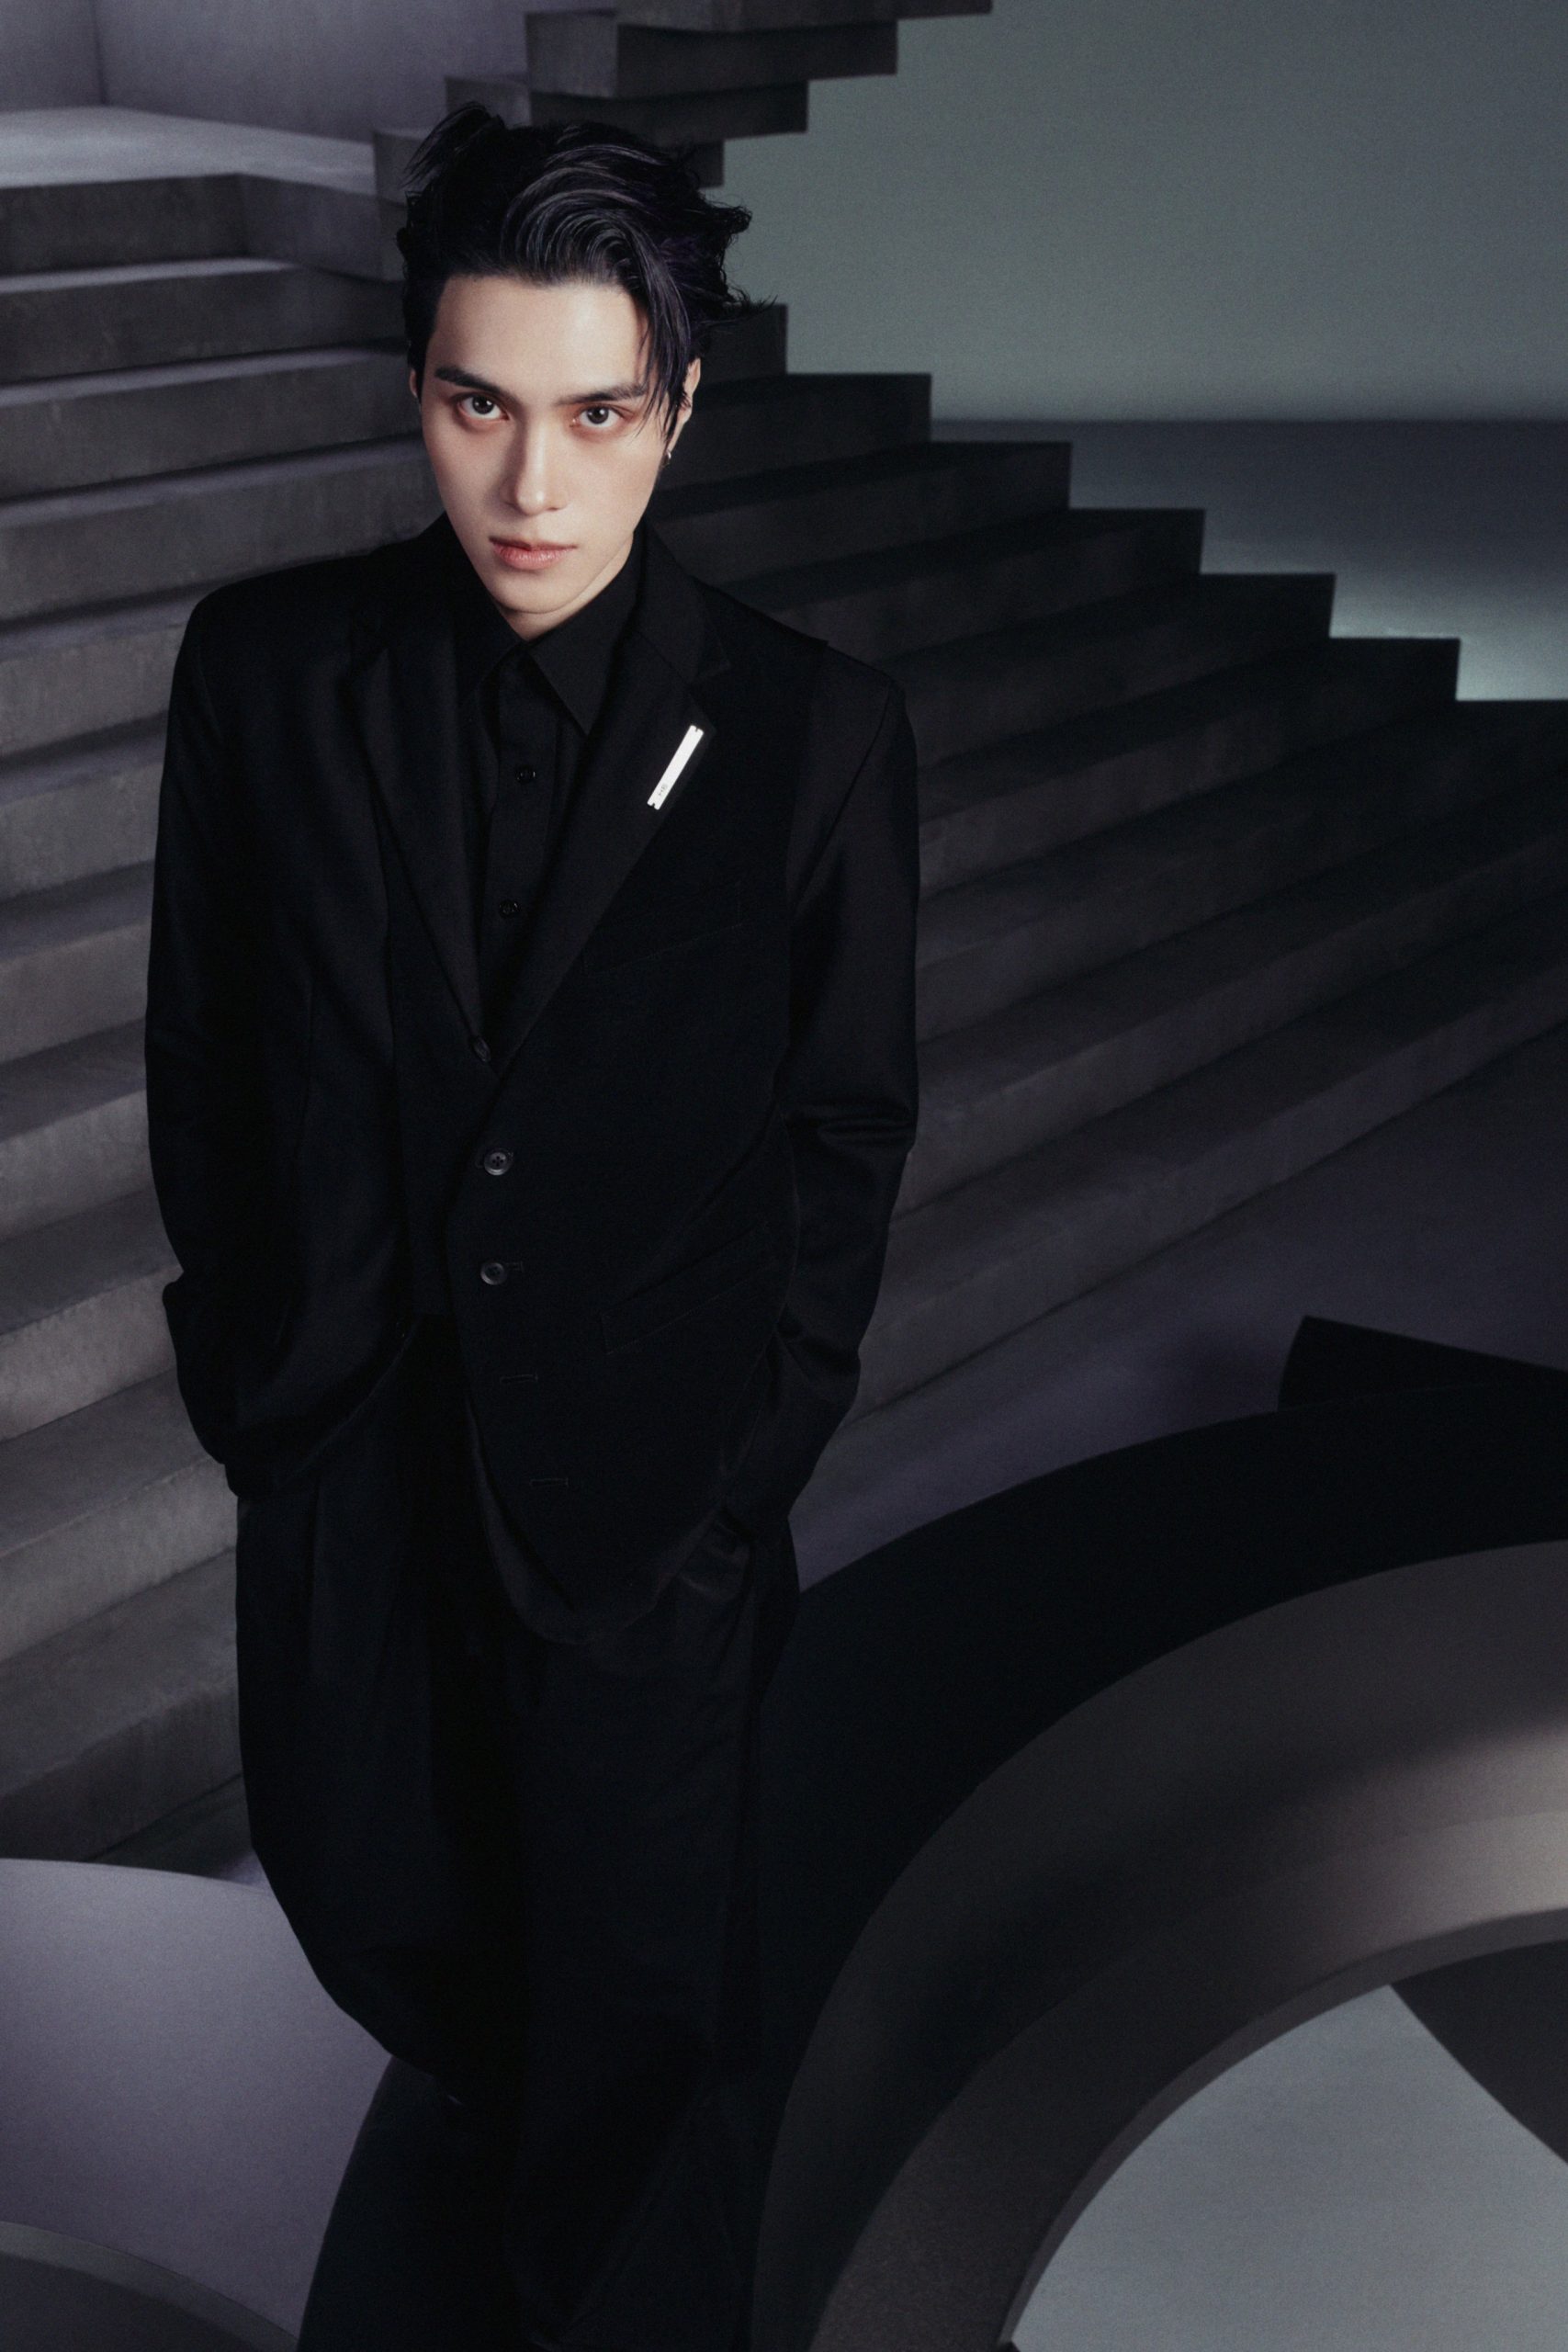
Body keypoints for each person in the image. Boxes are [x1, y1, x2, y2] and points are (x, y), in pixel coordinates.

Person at [143, 101, 920, 2351]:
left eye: (594, 415)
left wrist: (745, 1459)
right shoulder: (265, 673)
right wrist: (258, 1387)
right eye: (477, 404)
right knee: (385, 1917)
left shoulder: (809, 733)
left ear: (678, 407)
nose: (531, 486)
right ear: (418, 383)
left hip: (646, 1493)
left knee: (637, 2060)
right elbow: (202, 1050)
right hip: (350, 1466)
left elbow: (841, 1124)